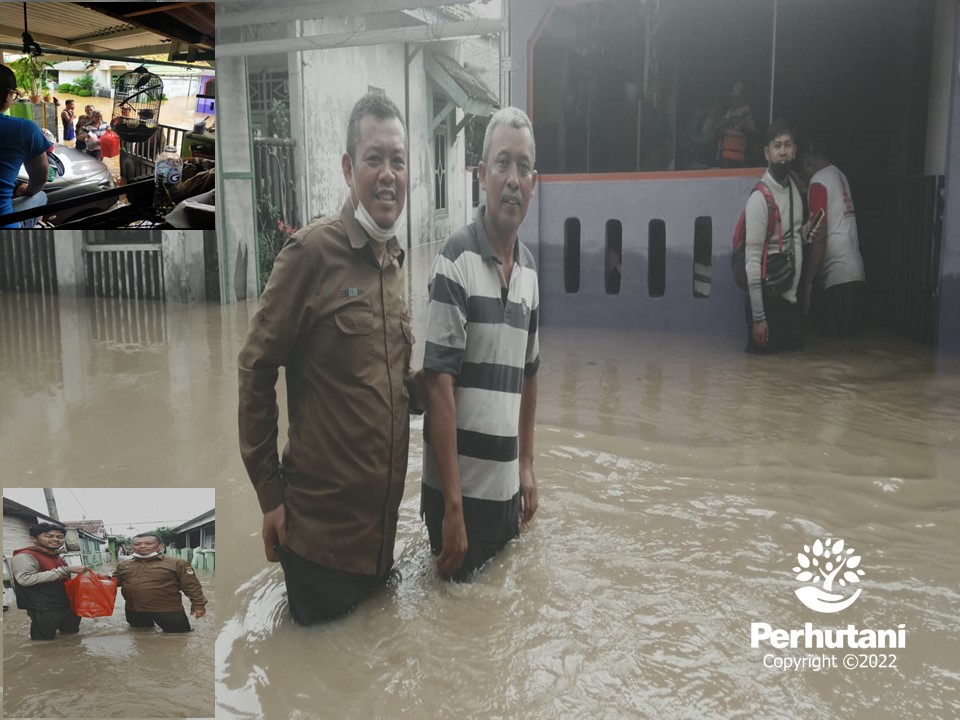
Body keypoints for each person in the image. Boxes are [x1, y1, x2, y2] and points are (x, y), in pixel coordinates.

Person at [238, 91, 422, 625]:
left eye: (398, 160)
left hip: (379, 547)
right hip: (319, 548)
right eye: (374, 159)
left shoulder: (394, 261)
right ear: (348, 168)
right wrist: (270, 496)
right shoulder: (311, 253)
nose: (387, 174)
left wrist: (426, 389)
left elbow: (377, 380)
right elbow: (254, 365)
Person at [421, 106, 541, 581]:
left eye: (524, 167)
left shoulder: (531, 272)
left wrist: (527, 468)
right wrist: (452, 510)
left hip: (505, 497)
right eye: (503, 164)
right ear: (481, 175)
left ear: (535, 181)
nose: (513, 179)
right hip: (460, 505)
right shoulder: (455, 262)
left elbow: (530, 375)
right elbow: (437, 386)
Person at [744, 118, 808, 354]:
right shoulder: (759, 199)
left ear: (795, 151)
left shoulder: (794, 190)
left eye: (788, 145)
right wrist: (759, 318)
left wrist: (809, 232)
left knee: (789, 375)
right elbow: (751, 261)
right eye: (777, 146)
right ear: (767, 153)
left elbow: (796, 238)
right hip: (767, 301)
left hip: (789, 300)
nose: (783, 151)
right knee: (759, 377)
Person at [799, 140, 866, 337]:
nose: (805, 175)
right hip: (855, 271)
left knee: (834, 343)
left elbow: (818, 230)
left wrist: (808, 280)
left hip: (837, 277)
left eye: (803, 169)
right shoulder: (839, 175)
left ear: (808, 160)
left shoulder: (818, 180)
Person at [112, 533, 207, 633]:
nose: (142, 546)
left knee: (178, 637)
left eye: (148, 543)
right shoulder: (124, 564)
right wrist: (102, 580)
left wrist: (198, 605)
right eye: (137, 544)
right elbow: (116, 581)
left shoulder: (177, 563)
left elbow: (191, 586)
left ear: (160, 546)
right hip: (134, 609)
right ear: (132, 547)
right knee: (140, 635)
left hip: (167, 609)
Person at [10, 523, 88, 640]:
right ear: (34, 538)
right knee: (43, 642)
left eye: (60, 537)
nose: (55, 539)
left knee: (71, 635)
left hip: (66, 604)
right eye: (49, 536)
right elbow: (25, 579)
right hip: (43, 607)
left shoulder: (55, 556)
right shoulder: (24, 556)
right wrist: (66, 569)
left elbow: (63, 578)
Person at [0, 64, 48, 229]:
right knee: (41, 196)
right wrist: (27, 189)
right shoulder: (23, 129)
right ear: (7, 95)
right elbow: (40, 179)